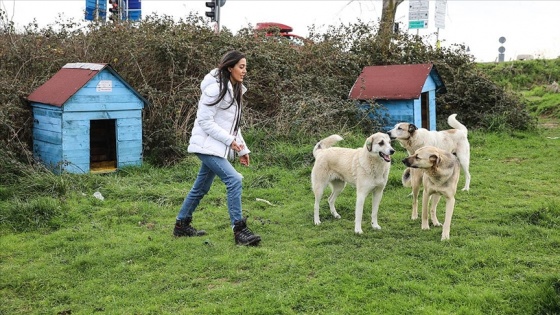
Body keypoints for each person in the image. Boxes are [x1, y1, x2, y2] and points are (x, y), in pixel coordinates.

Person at [173, 50, 261, 246]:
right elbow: (205, 121)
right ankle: (239, 231)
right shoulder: (215, 89)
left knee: (201, 187)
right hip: (205, 146)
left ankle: (181, 225)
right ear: (230, 67)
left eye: (245, 66)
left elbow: (232, 126)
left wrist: (242, 150)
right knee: (234, 179)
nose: (245, 70)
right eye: (241, 66)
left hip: (215, 147)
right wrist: (230, 141)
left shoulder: (235, 89)